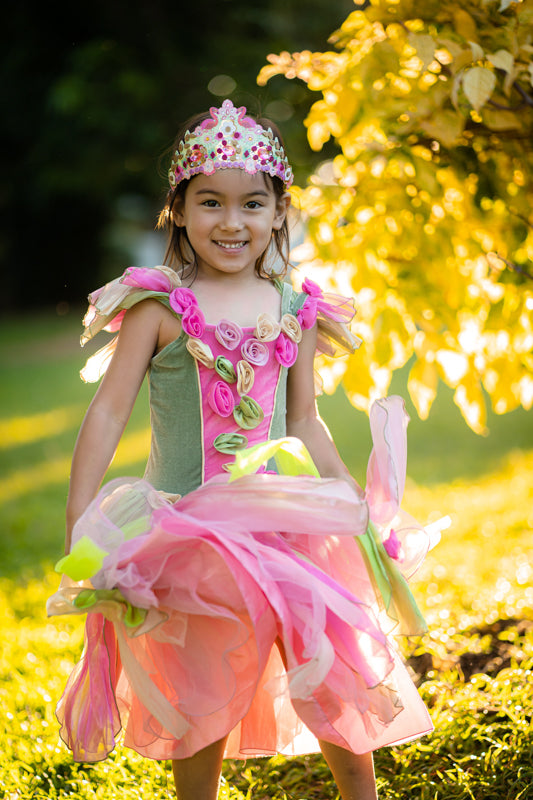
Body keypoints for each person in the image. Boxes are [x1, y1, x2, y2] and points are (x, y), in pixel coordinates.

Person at [47, 99, 442, 800]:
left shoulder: (294, 307)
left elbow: (306, 421)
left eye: (252, 204)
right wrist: (84, 514)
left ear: (278, 212)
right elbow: (108, 411)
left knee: (332, 674)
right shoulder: (158, 308)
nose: (231, 223)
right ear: (178, 210)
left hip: (284, 529)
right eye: (210, 203)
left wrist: (350, 505)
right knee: (199, 703)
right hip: (189, 534)